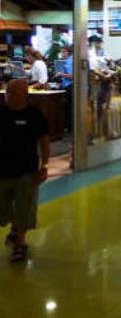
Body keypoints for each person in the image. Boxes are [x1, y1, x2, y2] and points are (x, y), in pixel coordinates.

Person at [0, 79, 50, 262]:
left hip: (26, 171)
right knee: (4, 207)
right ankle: (15, 228)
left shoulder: (34, 115)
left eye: (12, 92)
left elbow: (44, 141)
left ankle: (20, 242)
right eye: (7, 92)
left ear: (24, 95)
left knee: (24, 207)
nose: (8, 95)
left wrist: (44, 166)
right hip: (2, 171)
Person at [55, 47, 74, 130]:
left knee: (69, 108)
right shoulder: (68, 61)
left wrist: (61, 74)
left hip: (70, 86)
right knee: (67, 107)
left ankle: (69, 127)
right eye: (61, 52)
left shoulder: (70, 62)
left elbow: (72, 76)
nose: (62, 54)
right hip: (67, 86)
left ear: (68, 52)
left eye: (64, 52)